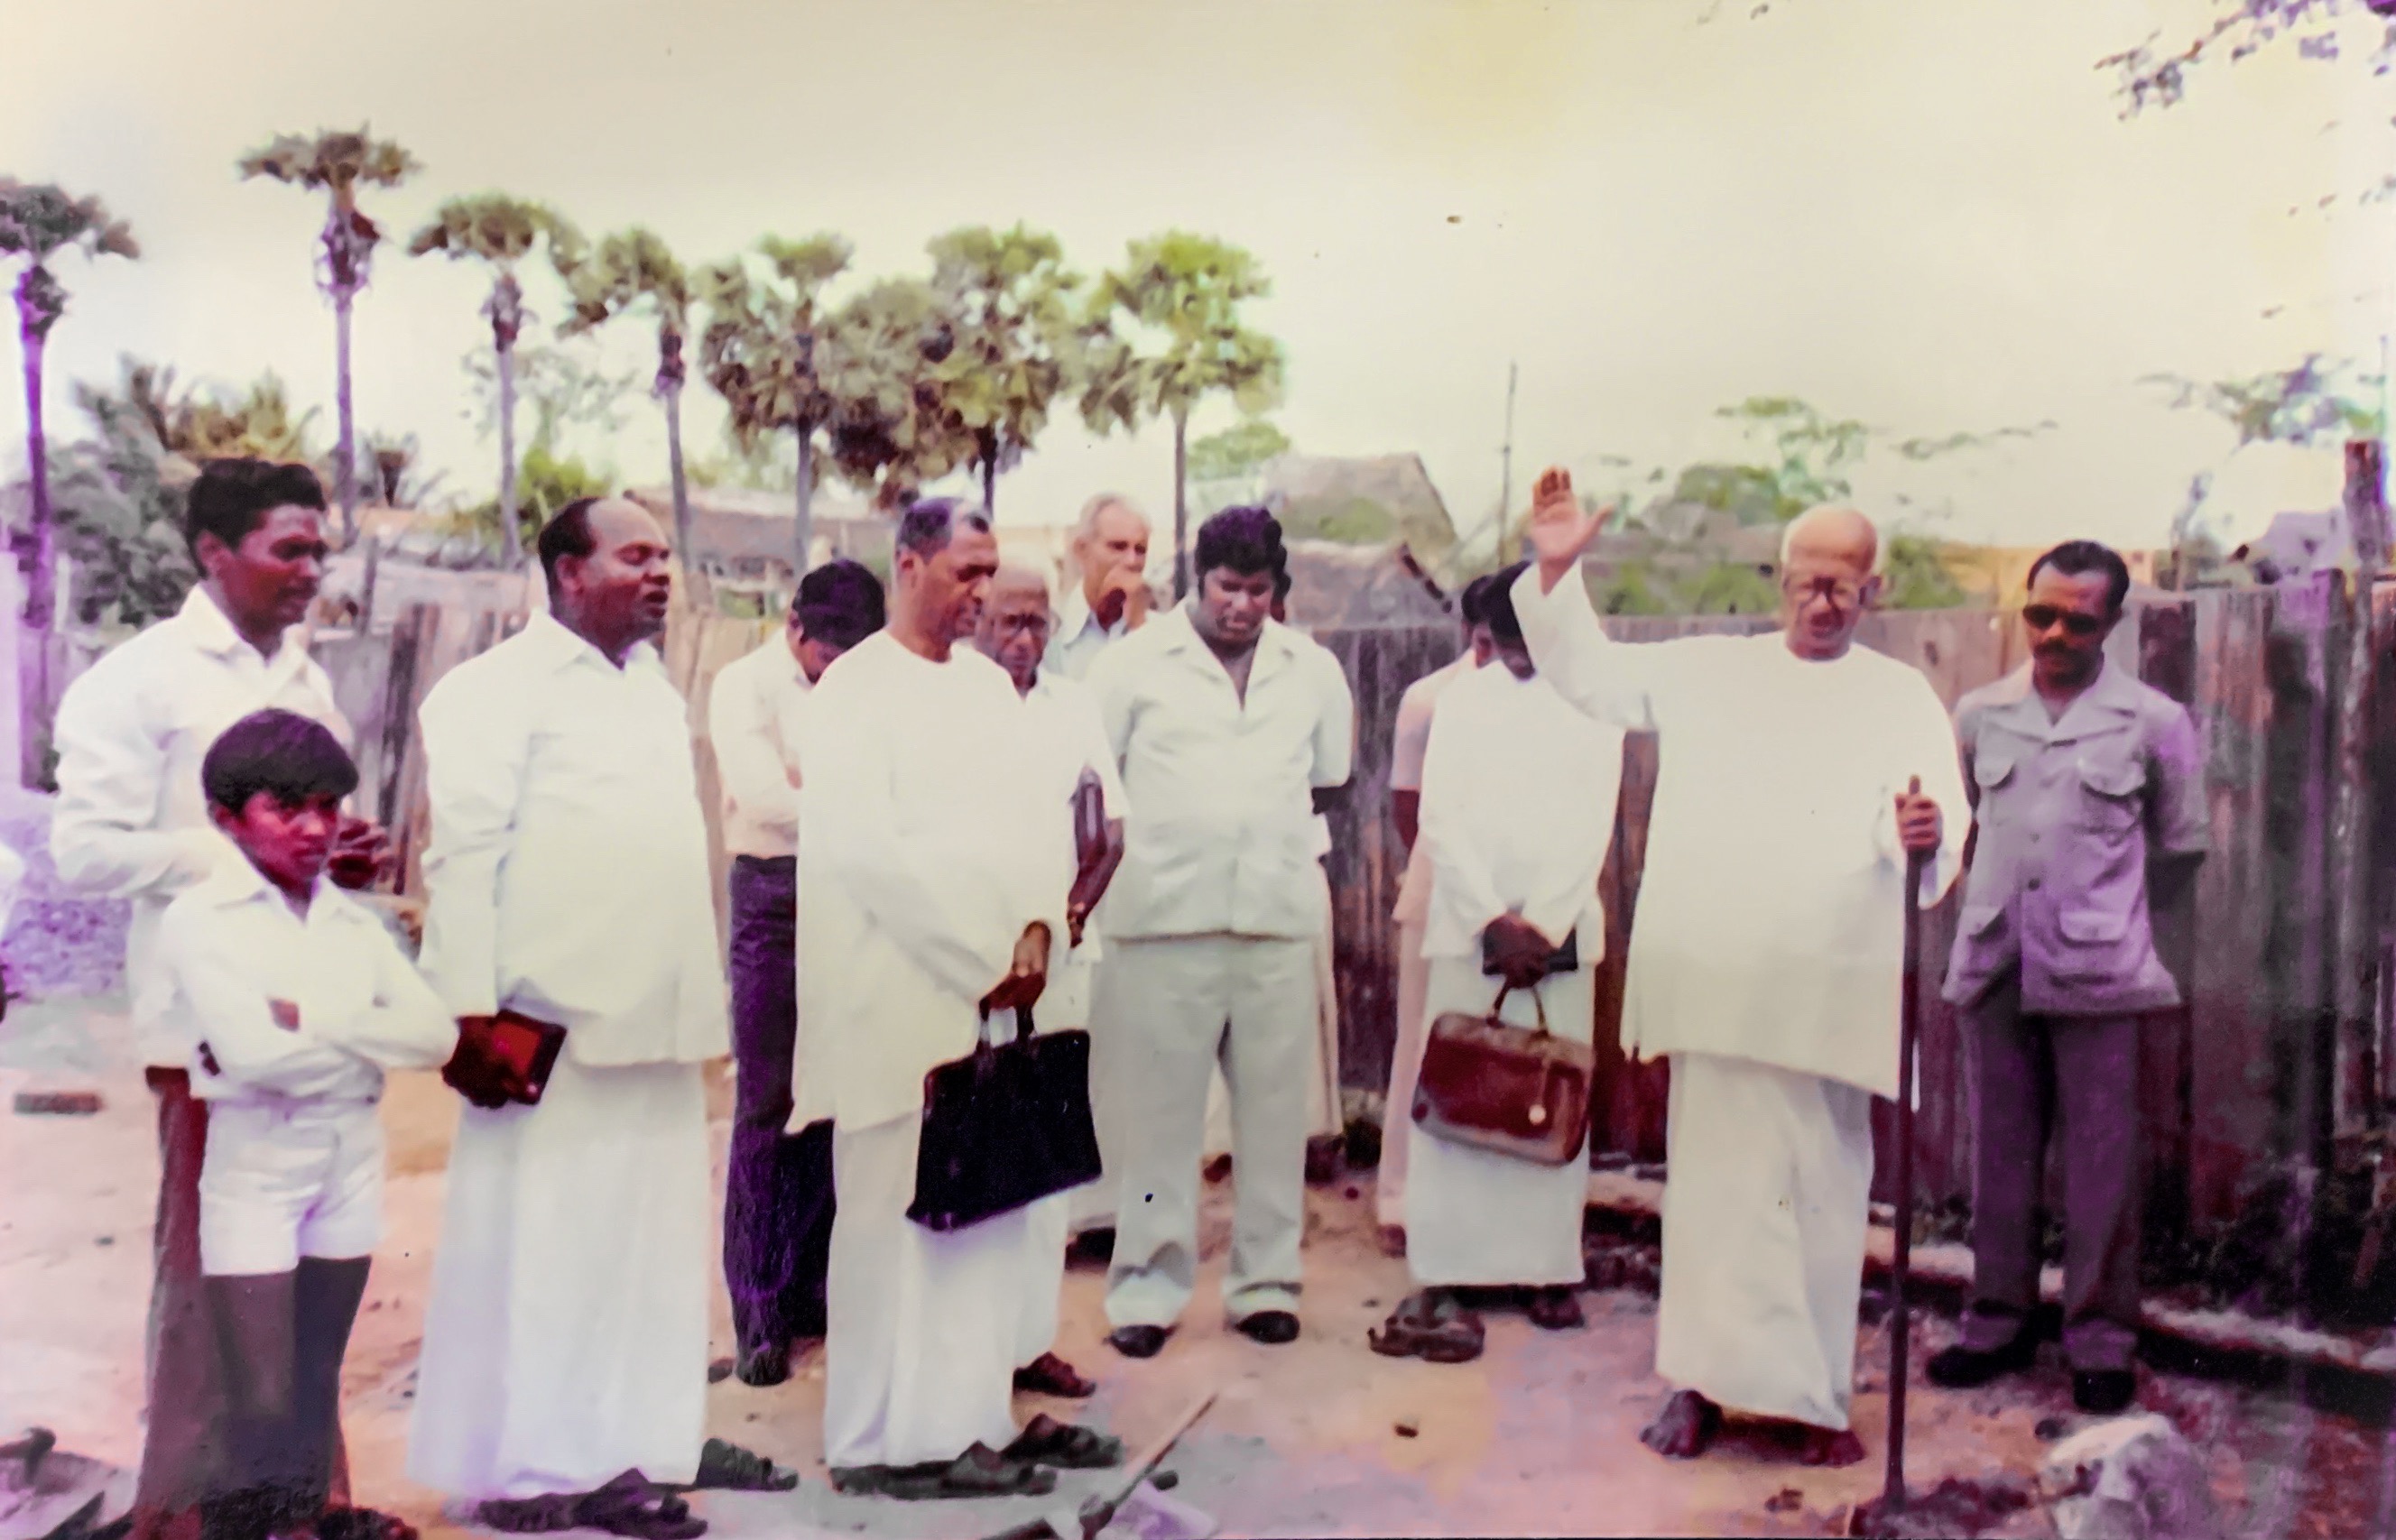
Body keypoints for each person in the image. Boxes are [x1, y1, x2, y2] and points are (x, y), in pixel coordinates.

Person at [1510, 466, 1966, 1466]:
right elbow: (1591, 677)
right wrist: (1555, 576)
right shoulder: (1713, 671)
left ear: (1872, 591)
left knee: (1821, 1192)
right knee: (1716, 1194)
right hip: (1718, 981)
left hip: (1827, 991)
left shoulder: (1900, 697)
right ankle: (1699, 1386)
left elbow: (1932, 825)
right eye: (1805, 580)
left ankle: (1810, 1399)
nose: (1821, 600)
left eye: (1842, 584)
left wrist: (1921, 836)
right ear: (1780, 581)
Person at [407, 497, 792, 1537]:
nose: (662, 573)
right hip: (550, 1030)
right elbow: (465, 857)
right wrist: (468, 1015)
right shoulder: (493, 691)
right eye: (636, 556)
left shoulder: (654, 688)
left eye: (665, 556)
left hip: (657, 1024)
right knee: (547, 1255)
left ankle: (626, 1452)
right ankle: (535, 1474)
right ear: (569, 572)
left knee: (642, 1259)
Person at [51, 457, 389, 1540]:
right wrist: (247, 855)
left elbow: (312, 840)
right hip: (204, 1025)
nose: (311, 569)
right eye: (289, 548)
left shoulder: (309, 681)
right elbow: (86, 854)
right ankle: (186, 1513)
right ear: (213, 552)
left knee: (309, 1271)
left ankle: (299, 1508)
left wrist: (342, 852)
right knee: (209, 1275)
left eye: (316, 548)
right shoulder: (139, 680)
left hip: (313, 1019)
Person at [801, 502, 1120, 1499]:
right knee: (890, 1218)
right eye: (967, 571)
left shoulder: (987, 687)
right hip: (895, 991)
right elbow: (868, 857)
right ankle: (878, 1445)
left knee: (977, 1213)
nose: (984, 592)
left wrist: (1032, 941)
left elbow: (1036, 833)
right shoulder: (854, 689)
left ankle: (965, 1423)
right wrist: (980, 955)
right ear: (908, 565)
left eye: (992, 573)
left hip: (997, 994)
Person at [162, 711, 456, 1540]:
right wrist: (361, 1041)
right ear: (227, 817)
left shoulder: (355, 924)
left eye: (328, 808)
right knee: (258, 1388)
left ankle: (297, 1527)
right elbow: (257, 1058)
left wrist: (309, 1015)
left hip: (348, 1165)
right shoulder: (203, 919)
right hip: (255, 1167)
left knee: (315, 1375)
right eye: (286, 809)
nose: (315, 828)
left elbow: (435, 1035)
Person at [1928, 540, 2206, 1416]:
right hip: (1998, 962)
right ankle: (1996, 1323)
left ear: (2111, 624)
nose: (2052, 633)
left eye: (2076, 621)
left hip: (2099, 969)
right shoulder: (1980, 714)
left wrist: (2105, 914)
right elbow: (1961, 827)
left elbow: (2181, 846)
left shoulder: (2154, 722)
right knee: (2000, 1159)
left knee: (2100, 1169)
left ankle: (2099, 1342)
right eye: (2039, 614)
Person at [1088, 506, 1355, 1360]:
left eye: (1258, 591)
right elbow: (1096, 783)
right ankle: (1146, 1289)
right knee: (1158, 1124)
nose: (1241, 607)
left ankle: (1266, 1284)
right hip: (1162, 922)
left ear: (1279, 589)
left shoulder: (1311, 669)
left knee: (1275, 1119)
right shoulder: (1131, 666)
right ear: (1194, 580)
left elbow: (1329, 775)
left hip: (1273, 921)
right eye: (1226, 589)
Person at [1368, 566, 1623, 1362]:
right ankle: (1446, 1269)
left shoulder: (1594, 703)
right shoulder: (1462, 705)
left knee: (1548, 1090)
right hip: (1468, 925)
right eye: (1499, 642)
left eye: (1524, 642)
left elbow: (1594, 819)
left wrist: (1540, 922)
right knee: (1459, 1090)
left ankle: (1546, 1270)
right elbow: (1438, 817)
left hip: (1559, 930)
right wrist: (1490, 917)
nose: (1510, 658)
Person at [707, 559, 885, 1388]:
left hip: (854, 891)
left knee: (834, 1097)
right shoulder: (742, 686)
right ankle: (759, 1313)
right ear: (793, 628)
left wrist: (830, 797)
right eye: (826, 658)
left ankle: (814, 1292)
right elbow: (763, 798)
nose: (837, 674)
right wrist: (855, 805)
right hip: (773, 899)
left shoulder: (877, 680)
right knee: (767, 1103)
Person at [972, 565, 1129, 1404]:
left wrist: (1067, 915)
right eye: (1006, 620)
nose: (1022, 638)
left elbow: (1108, 832)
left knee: (1043, 1151)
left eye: (1036, 622)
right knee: (970, 1145)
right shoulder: (954, 703)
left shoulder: (1073, 707)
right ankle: (971, 1350)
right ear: (977, 621)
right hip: (972, 960)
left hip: (1062, 956)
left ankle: (1031, 1341)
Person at [1376, 572, 1500, 1253]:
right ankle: (1399, 1197)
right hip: (1436, 882)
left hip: (1509, 896)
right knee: (1420, 1043)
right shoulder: (1428, 700)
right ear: (1465, 633)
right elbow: (1407, 806)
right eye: (1482, 643)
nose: (1492, 656)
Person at [1046, 493, 1153, 681]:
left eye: (1140, 550)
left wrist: (1139, 627)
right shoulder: (1052, 630)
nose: (1131, 561)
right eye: (1118, 547)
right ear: (1082, 550)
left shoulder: (1161, 633)